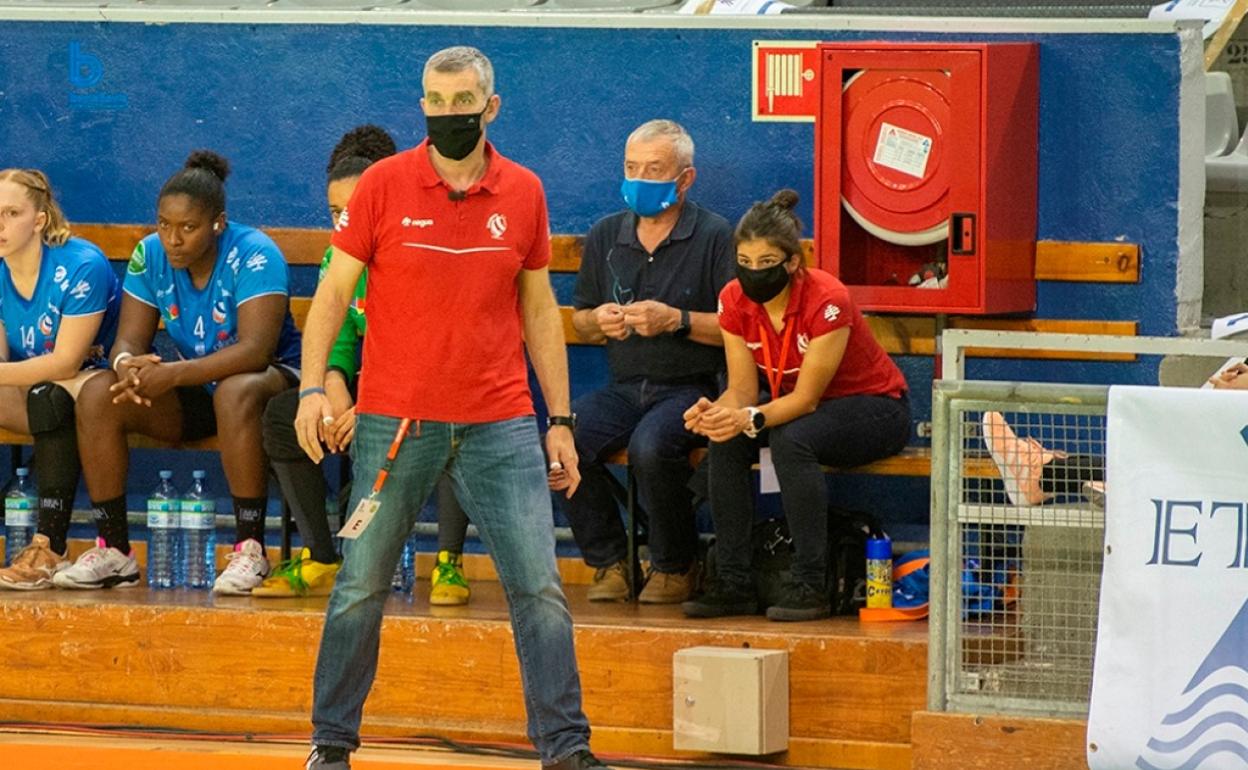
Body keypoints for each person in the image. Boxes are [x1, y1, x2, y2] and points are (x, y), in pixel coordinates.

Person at [295, 46, 608, 770]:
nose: (448, 115)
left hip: (499, 423)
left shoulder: (525, 191)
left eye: (462, 102)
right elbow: (333, 296)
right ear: (423, 109)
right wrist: (314, 387)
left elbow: (538, 309)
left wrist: (558, 420)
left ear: (490, 107)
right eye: (435, 103)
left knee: (539, 589)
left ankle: (566, 750)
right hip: (394, 422)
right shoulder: (381, 186)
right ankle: (330, 747)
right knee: (359, 588)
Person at [57, 151, 301, 594]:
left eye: (187, 228)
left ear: (218, 224)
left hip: (270, 384)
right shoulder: (149, 254)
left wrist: (172, 374)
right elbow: (128, 341)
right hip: (197, 387)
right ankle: (116, 551)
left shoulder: (255, 253)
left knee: (234, 391)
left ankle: (250, 549)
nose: (172, 238)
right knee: (99, 392)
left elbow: (255, 351)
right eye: (164, 225)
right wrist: (126, 366)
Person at [255, 126, 474, 605]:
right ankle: (322, 555)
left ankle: (449, 562)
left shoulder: (424, 249)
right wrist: (333, 396)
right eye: (336, 212)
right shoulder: (339, 255)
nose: (345, 222)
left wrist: (371, 405)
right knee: (282, 415)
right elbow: (336, 344)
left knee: (454, 423)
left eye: (355, 209)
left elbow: (437, 350)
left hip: (434, 387)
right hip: (369, 391)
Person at [682, 189, 911, 622]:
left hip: (874, 407)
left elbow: (805, 400)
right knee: (727, 440)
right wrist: (716, 412)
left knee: (791, 438)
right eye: (744, 263)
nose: (752, 274)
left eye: (765, 264)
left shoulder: (827, 299)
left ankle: (811, 582)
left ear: (792, 262)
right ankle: (734, 580)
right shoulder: (733, 299)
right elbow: (744, 390)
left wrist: (747, 417)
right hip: (793, 407)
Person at [567, 119, 734, 603]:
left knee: (651, 447)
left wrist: (677, 320)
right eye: (631, 168)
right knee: (563, 442)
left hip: (691, 385)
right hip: (623, 387)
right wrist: (598, 321)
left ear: (685, 179)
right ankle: (610, 561)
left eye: (654, 170)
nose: (639, 179)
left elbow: (736, 329)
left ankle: (675, 565)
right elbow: (579, 320)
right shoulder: (605, 236)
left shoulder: (715, 236)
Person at [0, 169, 120, 590]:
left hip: (99, 391)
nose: (0, 225)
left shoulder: (80, 264)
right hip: (37, 390)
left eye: (11, 213)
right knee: (44, 395)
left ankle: (48, 546)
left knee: (51, 393)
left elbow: (67, 362)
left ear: (39, 220)